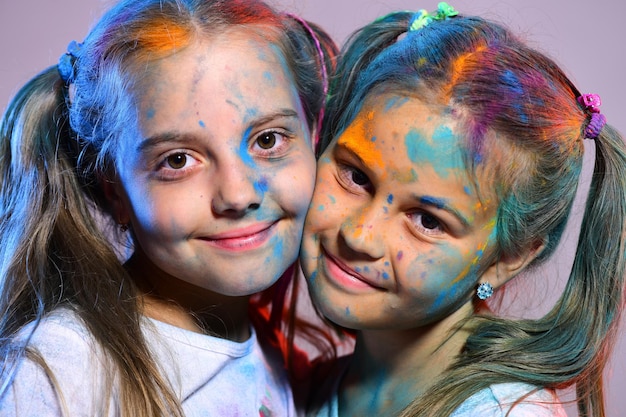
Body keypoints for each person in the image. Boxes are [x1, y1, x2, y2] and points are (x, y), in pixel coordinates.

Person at [0, 0, 337, 415]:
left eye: (268, 140)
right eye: (177, 160)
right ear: (113, 190)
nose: (237, 194)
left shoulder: (275, 362)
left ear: (314, 135)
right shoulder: (59, 369)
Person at [300, 3, 626, 416]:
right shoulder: (309, 388)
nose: (359, 236)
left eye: (427, 220)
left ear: (508, 258)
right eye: (356, 176)